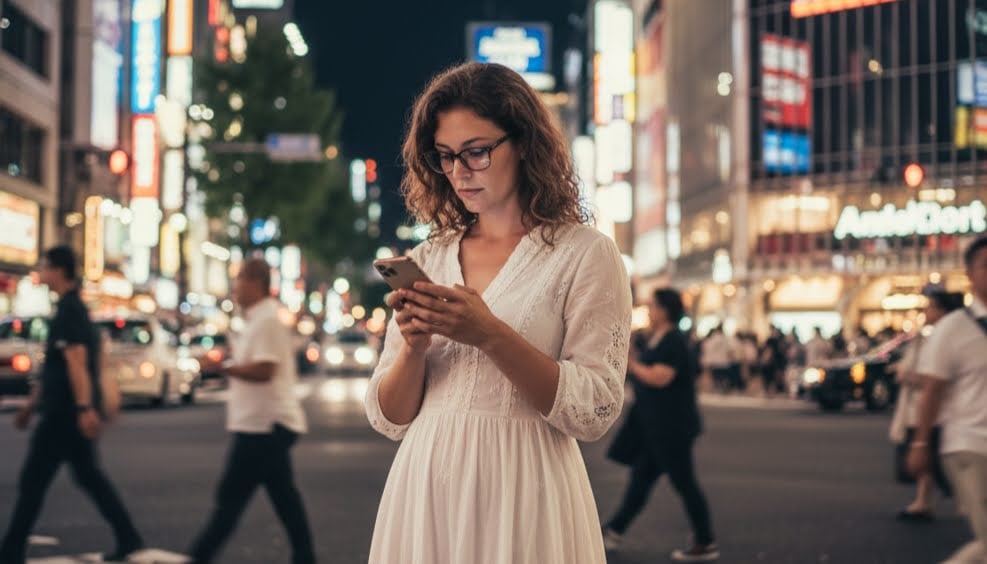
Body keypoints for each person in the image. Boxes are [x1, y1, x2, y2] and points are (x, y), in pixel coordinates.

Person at [363, 62, 632, 564]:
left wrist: (489, 334)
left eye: (476, 152)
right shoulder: (429, 256)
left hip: (525, 483)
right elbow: (391, 418)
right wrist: (413, 350)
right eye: (445, 156)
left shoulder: (584, 254)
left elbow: (595, 407)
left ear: (524, 142)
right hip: (426, 483)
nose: (459, 171)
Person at [0, 246, 143, 564]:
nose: (41, 272)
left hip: (63, 414)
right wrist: (30, 406)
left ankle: (11, 550)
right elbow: (56, 368)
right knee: (88, 477)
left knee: (34, 481)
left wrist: (83, 408)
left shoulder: (70, 311)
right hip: (64, 410)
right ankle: (128, 535)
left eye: (45, 266)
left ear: (60, 271)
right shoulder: (71, 308)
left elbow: (76, 363)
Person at [188, 258, 315, 564]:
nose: (235, 287)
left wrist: (224, 367)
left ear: (256, 283)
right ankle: (305, 557)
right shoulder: (258, 318)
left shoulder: (266, 320)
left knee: (229, 500)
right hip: (265, 423)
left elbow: (264, 369)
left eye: (239, 280)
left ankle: (199, 557)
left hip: (263, 425)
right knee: (283, 497)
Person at [603, 288, 718, 562]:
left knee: (684, 482)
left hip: (672, 428)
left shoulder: (673, 341)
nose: (649, 310)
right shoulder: (656, 338)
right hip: (655, 426)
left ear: (665, 310)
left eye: (653, 306)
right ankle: (614, 530)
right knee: (641, 480)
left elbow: (660, 377)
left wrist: (631, 365)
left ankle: (705, 541)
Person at [908, 235, 987, 563]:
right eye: (985, 266)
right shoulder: (952, 329)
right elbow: (932, 391)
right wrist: (920, 443)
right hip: (968, 444)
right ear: (969, 274)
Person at [889, 291, 963, 522]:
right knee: (932, 459)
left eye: (931, 307)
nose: (926, 312)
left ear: (943, 311)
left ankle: (958, 498)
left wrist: (907, 376)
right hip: (921, 407)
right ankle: (925, 500)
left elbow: (937, 378)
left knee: (935, 455)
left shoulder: (945, 337)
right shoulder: (925, 336)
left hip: (934, 408)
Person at [701, 326, 733, 393]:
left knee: (716, 377)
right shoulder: (726, 339)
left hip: (715, 361)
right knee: (723, 377)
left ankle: (717, 388)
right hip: (724, 362)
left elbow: (707, 350)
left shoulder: (712, 339)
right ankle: (723, 388)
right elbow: (730, 351)